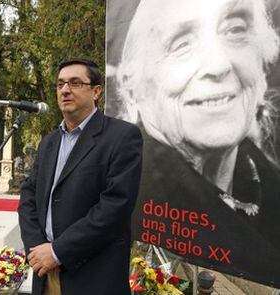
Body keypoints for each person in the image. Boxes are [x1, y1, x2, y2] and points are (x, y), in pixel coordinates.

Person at [115, 0, 280, 288]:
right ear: (132, 86)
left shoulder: (270, 186)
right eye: (181, 44)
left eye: (235, 29)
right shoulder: (125, 190)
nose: (219, 64)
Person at [18, 59, 143, 295]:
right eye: (60, 84)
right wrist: (38, 249)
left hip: (93, 276)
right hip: (46, 274)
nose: (65, 90)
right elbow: (28, 196)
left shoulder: (122, 137)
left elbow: (115, 207)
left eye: (75, 83)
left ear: (96, 91)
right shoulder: (49, 143)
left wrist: (57, 252)